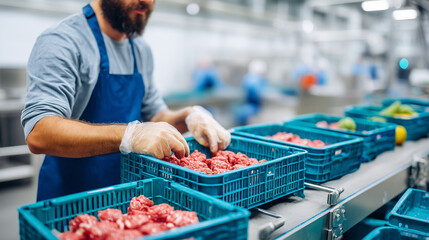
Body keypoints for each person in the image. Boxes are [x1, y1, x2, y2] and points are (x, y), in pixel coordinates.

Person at [21, 0, 230, 201]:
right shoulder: (64, 40)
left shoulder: (139, 49)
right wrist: (130, 134)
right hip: (72, 201)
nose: (147, 1)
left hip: (129, 198)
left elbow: (155, 115)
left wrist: (188, 116)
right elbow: (39, 133)